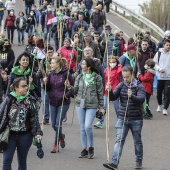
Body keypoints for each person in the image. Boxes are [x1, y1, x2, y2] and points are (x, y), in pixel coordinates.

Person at [103, 66, 145, 170]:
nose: (125, 79)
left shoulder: (139, 86)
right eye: (124, 77)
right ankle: (114, 162)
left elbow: (141, 99)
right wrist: (109, 91)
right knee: (119, 140)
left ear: (133, 75)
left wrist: (132, 97)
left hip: (136, 119)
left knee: (137, 141)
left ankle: (138, 161)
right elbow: (113, 97)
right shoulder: (121, 85)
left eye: (127, 77)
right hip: (122, 117)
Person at [65, 58, 104, 159]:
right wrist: (69, 87)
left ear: (89, 66)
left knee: (87, 126)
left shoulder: (97, 78)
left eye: (83, 64)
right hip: (80, 104)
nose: (81, 66)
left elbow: (100, 93)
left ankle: (91, 147)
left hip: (92, 104)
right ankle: (84, 148)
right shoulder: (80, 77)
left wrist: (101, 107)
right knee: (82, 127)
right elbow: (75, 91)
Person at [0, 77, 43, 170]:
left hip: (25, 136)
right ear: (16, 87)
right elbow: (1, 115)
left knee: (22, 161)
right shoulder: (9, 99)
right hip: (9, 135)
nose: (26, 88)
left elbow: (35, 119)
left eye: (26, 85)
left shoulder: (31, 100)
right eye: (23, 86)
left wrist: (38, 133)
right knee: (6, 160)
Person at [43, 57, 74, 152]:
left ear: (58, 64)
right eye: (50, 63)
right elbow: (47, 89)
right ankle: (61, 136)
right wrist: (44, 83)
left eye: (52, 63)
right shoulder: (50, 74)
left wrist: (66, 94)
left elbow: (73, 89)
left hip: (63, 102)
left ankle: (55, 144)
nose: (50, 65)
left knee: (57, 123)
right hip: (53, 101)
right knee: (53, 124)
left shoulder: (66, 74)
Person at [94, 56, 122, 128]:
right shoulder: (106, 69)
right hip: (106, 90)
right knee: (103, 106)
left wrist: (119, 66)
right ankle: (100, 122)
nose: (112, 64)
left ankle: (120, 121)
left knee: (117, 107)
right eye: (111, 62)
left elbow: (120, 71)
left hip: (115, 91)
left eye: (114, 62)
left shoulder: (118, 69)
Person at [36, 45, 54, 124]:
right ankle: (46, 118)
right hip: (45, 85)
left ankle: (58, 116)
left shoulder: (56, 60)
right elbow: (40, 72)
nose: (50, 54)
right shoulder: (42, 61)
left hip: (55, 86)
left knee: (55, 102)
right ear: (45, 53)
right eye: (48, 52)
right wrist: (34, 76)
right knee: (45, 101)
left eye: (51, 52)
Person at [153, 39, 170, 115]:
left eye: (169, 45)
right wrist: (159, 69)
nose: (168, 47)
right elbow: (154, 63)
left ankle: (165, 108)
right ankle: (159, 105)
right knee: (159, 93)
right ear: (164, 45)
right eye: (167, 45)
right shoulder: (158, 53)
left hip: (168, 77)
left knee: (167, 93)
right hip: (160, 76)